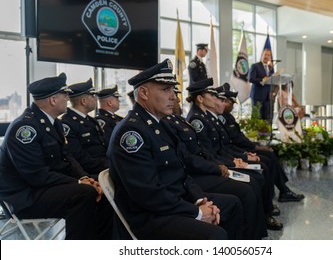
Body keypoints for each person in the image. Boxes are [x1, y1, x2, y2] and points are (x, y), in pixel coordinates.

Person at [107, 59, 244, 240]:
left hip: (173, 202)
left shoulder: (161, 125)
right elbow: (148, 195)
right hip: (151, 216)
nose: (173, 96)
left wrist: (199, 199)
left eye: (172, 89)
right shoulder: (132, 132)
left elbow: (182, 171)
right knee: (216, 236)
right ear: (144, 93)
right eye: (165, 90)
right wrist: (197, 212)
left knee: (232, 204)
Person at [0, 73, 112, 239]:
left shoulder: (54, 123)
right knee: (83, 194)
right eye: (65, 95)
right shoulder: (25, 128)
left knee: (102, 189)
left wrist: (85, 177)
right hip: (24, 197)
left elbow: (68, 160)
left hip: (41, 188)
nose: (68, 98)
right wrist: (79, 182)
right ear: (53, 100)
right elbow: (36, 175)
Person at [163, 88, 268, 239]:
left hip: (198, 173)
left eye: (176, 94)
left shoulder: (177, 119)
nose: (176, 99)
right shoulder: (191, 119)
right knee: (246, 189)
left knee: (253, 179)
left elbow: (206, 151)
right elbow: (189, 159)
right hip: (196, 175)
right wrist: (218, 167)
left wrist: (228, 162)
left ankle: (255, 234)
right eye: (213, 95)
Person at [186, 78, 283, 230]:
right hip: (212, 168)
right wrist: (233, 163)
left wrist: (240, 157)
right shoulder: (197, 120)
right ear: (200, 99)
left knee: (259, 171)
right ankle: (257, 225)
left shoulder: (207, 117)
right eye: (213, 96)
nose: (219, 100)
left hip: (221, 162)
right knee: (254, 179)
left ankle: (263, 217)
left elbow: (222, 147)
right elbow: (207, 153)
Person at [218, 84, 305, 203]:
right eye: (230, 103)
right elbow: (235, 141)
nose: (233, 106)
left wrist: (255, 145)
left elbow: (239, 137)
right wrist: (253, 148)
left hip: (239, 149)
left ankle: (283, 190)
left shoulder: (227, 116)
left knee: (270, 154)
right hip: (236, 152)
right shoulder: (222, 118)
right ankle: (278, 194)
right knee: (267, 158)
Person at [60, 78, 108, 178]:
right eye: (93, 96)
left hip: (104, 167)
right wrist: (109, 165)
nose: (95, 99)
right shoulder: (67, 123)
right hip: (91, 173)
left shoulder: (91, 120)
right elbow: (78, 156)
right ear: (84, 101)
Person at [249, 49, 274, 121]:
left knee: (266, 117)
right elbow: (251, 78)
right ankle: (255, 132)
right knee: (257, 117)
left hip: (267, 97)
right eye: (265, 54)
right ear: (262, 55)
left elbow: (272, 80)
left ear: (270, 58)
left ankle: (265, 132)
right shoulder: (255, 66)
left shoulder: (270, 68)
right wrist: (262, 80)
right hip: (257, 96)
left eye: (268, 55)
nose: (266, 56)